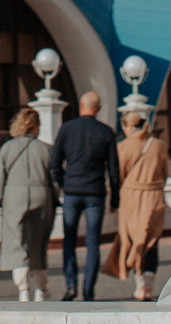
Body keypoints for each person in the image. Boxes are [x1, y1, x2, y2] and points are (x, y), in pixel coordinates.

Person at [49, 91, 120, 301]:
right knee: (92, 242)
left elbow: (54, 162)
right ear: (97, 109)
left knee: (69, 239)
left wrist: (63, 182)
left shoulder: (67, 129)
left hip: (72, 191)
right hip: (95, 193)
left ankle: (71, 285)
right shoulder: (106, 132)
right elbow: (114, 171)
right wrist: (115, 198)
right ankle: (88, 290)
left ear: (81, 106)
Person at [0, 107, 55, 303]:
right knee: (38, 244)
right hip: (40, 194)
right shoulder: (45, 149)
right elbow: (53, 178)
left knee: (16, 243)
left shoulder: (7, 148)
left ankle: (23, 289)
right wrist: (55, 198)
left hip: (14, 196)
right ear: (35, 127)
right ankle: (41, 288)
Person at [110, 112, 169, 302]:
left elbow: (119, 174)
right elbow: (164, 172)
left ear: (127, 127)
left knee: (135, 240)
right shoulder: (159, 145)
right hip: (154, 196)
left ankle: (139, 285)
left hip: (132, 197)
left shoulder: (124, 146)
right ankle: (149, 287)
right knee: (152, 240)